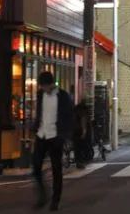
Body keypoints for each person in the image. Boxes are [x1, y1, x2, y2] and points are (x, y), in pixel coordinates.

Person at [33, 71, 74, 211]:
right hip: (41, 134)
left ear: (51, 84)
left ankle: (55, 200)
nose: (43, 89)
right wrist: (35, 127)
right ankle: (43, 194)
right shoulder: (40, 95)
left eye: (44, 86)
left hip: (55, 136)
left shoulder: (63, 96)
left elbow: (69, 116)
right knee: (36, 166)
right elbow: (39, 112)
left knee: (56, 168)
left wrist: (65, 135)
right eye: (41, 86)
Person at [73, 98, 90, 169]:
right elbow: (83, 120)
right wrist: (84, 131)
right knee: (82, 146)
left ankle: (77, 161)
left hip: (74, 130)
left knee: (76, 147)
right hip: (80, 131)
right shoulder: (84, 110)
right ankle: (81, 161)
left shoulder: (75, 109)